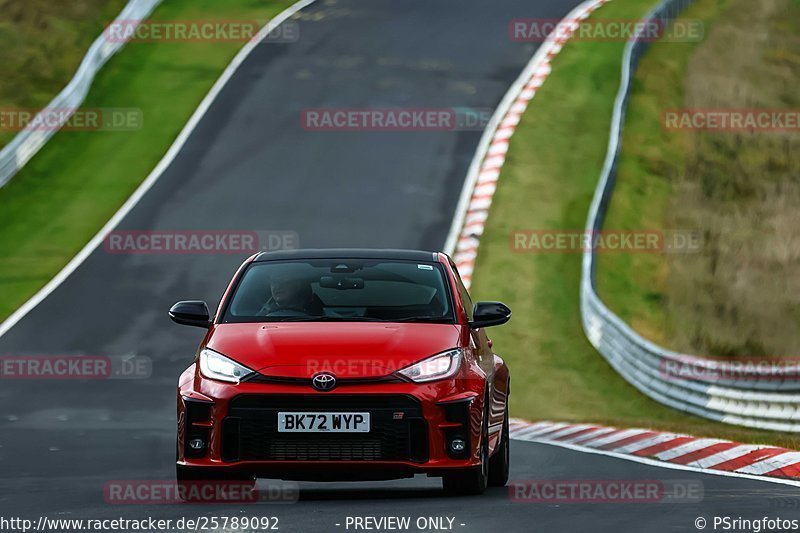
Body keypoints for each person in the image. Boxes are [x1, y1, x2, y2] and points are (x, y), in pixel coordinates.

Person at [258, 270, 323, 316]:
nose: (277, 286)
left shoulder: (319, 314)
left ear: (298, 285)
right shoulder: (258, 314)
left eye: (283, 281)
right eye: (274, 282)